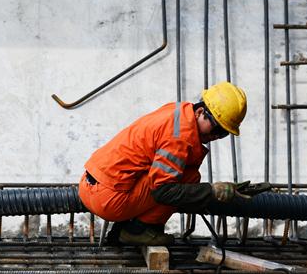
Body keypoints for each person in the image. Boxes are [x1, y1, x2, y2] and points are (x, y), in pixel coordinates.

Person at [79, 82, 250, 246]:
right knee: (187, 178)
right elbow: (163, 191)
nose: (216, 136)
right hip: (108, 198)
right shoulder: (179, 137)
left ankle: (127, 228)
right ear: (199, 112)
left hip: (91, 185)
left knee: (184, 174)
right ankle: (138, 230)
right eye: (216, 128)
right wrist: (211, 191)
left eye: (224, 134)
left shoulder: (179, 111)